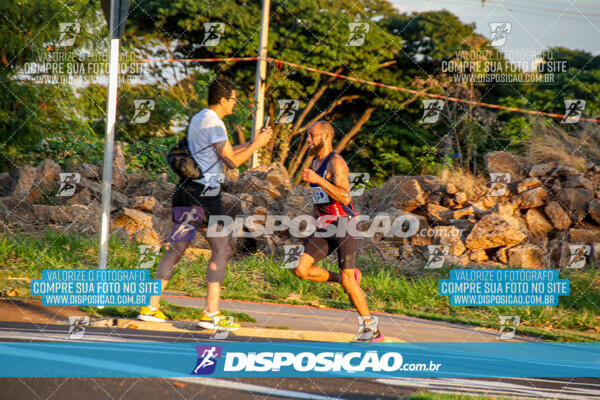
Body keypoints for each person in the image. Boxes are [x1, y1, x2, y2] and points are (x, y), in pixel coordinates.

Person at [138, 78, 273, 330]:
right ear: (223, 100)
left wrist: (253, 143)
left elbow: (223, 153)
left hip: (185, 190)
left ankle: (150, 307)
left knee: (176, 249)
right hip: (205, 194)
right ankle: (211, 313)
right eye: (233, 99)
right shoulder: (216, 123)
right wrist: (257, 145)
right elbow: (232, 162)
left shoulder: (200, 118)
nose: (235, 103)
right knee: (222, 249)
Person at [294, 121, 383, 343]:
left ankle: (371, 328)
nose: (308, 140)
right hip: (325, 224)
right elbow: (320, 198)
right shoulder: (315, 162)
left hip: (344, 223)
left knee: (348, 282)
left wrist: (318, 180)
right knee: (301, 270)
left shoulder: (336, 162)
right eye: (307, 136)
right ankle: (344, 278)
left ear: (325, 136)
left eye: (312, 136)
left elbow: (345, 196)